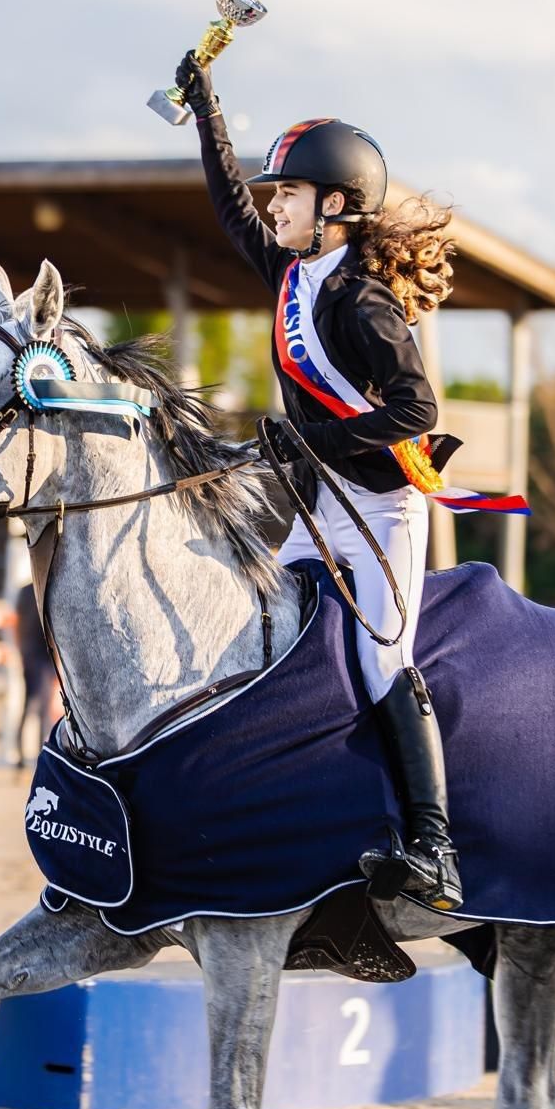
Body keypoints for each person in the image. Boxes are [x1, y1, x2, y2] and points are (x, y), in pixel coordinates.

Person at [175, 51, 466, 913]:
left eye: (290, 196)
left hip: (379, 508)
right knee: (271, 634)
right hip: (316, 506)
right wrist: (206, 107)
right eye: (278, 197)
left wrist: (322, 444)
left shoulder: (363, 303)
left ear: (335, 207)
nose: (275, 207)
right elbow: (231, 205)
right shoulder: (290, 274)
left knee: (381, 663)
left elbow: (415, 410)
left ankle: (435, 848)